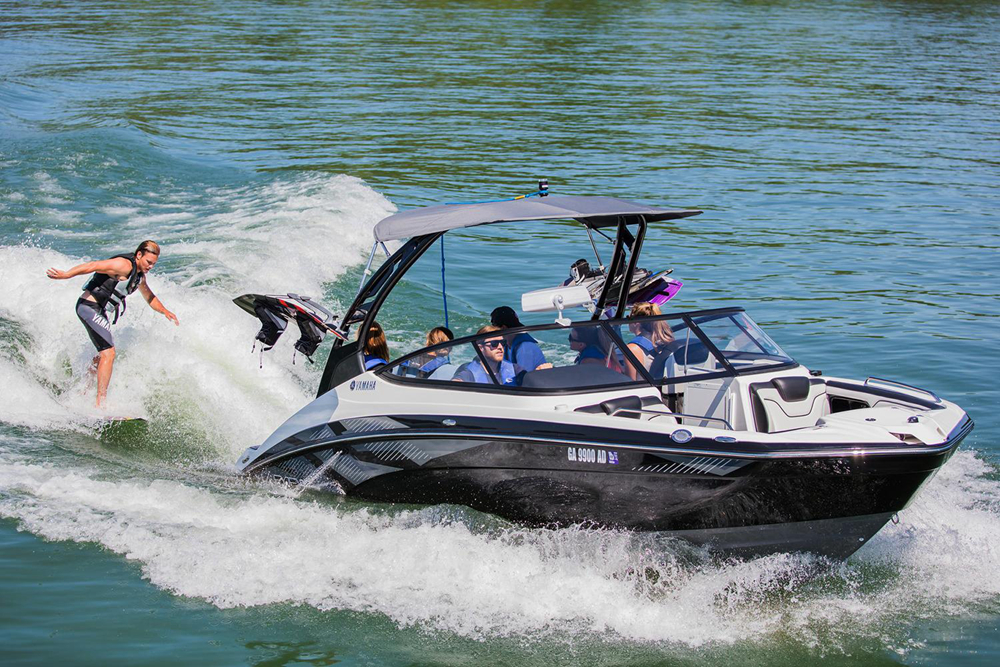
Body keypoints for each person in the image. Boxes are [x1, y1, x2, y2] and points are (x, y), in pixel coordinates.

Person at [46, 240, 178, 408]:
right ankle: (100, 403)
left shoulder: (139, 276)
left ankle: (82, 391)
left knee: (102, 356)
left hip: (99, 311)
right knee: (109, 353)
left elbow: (149, 297)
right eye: (148, 262)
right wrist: (66, 274)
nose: (151, 266)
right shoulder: (122, 265)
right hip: (88, 307)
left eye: (154, 264)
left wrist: (165, 311)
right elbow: (93, 265)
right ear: (139, 255)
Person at [490, 305, 547, 374]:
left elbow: (523, 378)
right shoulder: (507, 345)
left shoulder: (525, 348)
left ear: (503, 328)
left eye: (493, 326)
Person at [625, 302, 674, 380]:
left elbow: (629, 383)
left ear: (636, 322)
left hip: (643, 390)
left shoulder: (632, 349)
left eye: (628, 317)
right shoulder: (667, 340)